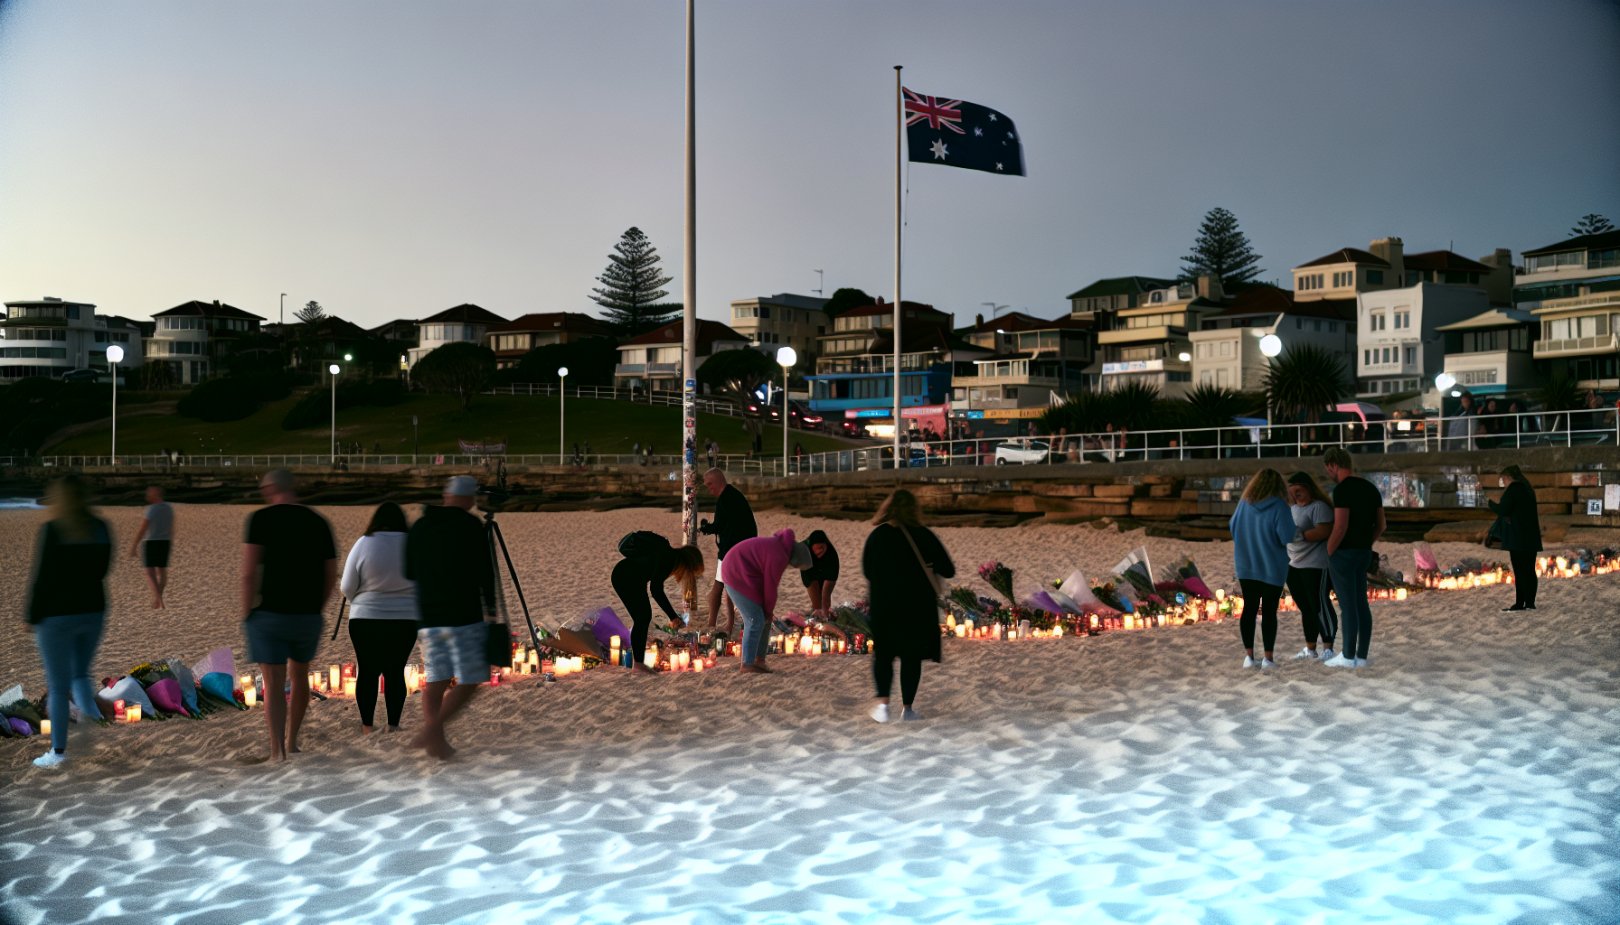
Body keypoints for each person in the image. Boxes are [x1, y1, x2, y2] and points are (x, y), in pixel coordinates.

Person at [242, 469, 338, 761]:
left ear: (271, 488)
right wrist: (317, 607)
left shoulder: (260, 519)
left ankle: (277, 751)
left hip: (269, 612)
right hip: (306, 614)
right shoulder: (318, 521)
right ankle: (293, 741)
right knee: (300, 677)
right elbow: (330, 573)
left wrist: (246, 611)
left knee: (272, 682)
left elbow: (248, 573)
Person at [406, 476, 498, 759]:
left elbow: (409, 571)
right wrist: (491, 609)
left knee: (436, 680)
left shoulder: (421, 526)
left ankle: (436, 741)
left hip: (428, 615)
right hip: (462, 614)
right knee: (471, 679)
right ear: (469, 499)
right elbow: (485, 572)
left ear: (446, 495)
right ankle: (432, 730)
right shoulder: (471, 526)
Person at [27, 475, 112, 769]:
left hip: (57, 615)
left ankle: (58, 752)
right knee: (80, 675)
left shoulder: (54, 529)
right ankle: (90, 719)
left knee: (58, 685)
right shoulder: (100, 527)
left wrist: (32, 616)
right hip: (93, 611)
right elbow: (103, 569)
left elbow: (43, 578)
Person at [863, 489, 955, 722]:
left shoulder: (877, 536)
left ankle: (883, 707)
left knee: (883, 655)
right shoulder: (923, 535)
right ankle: (908, 709)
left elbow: (867, 570)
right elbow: (948, 570)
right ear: (914, 509)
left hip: (884, 605)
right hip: (917, 605)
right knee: (911, 656)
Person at [340, 501, 418, 734]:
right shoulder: (413, 545)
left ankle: (367, 726)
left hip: (365, 617)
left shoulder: (364, 543)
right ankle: (393, 724)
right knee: (395, 672)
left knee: (367, 671)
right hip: (405, 618)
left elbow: (346, 586)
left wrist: (359, 601)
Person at [1322, 448, 1385, 669]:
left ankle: (1348, 656)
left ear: (1333, 465)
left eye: (1327, 468)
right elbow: (1381, 525)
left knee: (1347, 605)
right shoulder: (1370, 488)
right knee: (1361, 604)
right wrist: (1367, 541)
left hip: (1344, 553)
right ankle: (1362, 655)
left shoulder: (1342, 490)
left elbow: (1340, 526)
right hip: (1363, 552)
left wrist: (1328, 551)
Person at [1228, 469, 1297, 669]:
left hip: (1246, 565)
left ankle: (1249, 656)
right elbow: (1287, 537)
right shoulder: (1279, 507)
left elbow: (1233, 527)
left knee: (1249, 609)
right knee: (1269, 612)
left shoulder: (1243, 505)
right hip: (1272, 567)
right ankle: (1268, 658)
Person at [723, 530, 814, 673]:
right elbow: (771, 587)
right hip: (736, 572)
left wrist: (768, 613)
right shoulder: (779, 555)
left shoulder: (780, 547)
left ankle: (760, 660)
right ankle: (747, 664)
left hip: (746, 573)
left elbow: (767, 584)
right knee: (754, 620)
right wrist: (768, 610)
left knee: (765, 619)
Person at [611, 532, 704, 671]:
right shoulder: (669, 558)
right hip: (625, 576)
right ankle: (638, 665)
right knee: (642, 618)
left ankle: (638, 663)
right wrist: (673, 616)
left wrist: (672, 616)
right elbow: (656, 590)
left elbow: (654, 585)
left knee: (643, 618)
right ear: (688, 563)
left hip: (632, 577)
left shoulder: (668, 555)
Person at [1284, 471, 1337, 661]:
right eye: (1292, 491)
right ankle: (1310, 647)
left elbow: (1325, 530)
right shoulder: (1291, 509)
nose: (1295, 494)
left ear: (1308, 489)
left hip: (1315, 564)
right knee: (1306, 608)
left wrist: (1301, 535)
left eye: (1299, 490)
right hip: (1293, 564)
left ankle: (1328, 646)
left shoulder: (1319, 507)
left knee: (1319, 604)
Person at [699, 468, 757, 634]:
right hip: (744, 548)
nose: (709, 488)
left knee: (719, 587)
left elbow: (718, 525)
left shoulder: (724, 500)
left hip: (732, 550)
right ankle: (732, 622)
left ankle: (715, 623)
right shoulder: (735, 495)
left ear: (718, 481)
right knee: (731, 586)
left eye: (710, 484)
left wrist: (705, 528)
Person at [1488, 464, 1542, 612]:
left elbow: (1503, 509)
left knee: (1520, 571)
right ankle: (1530, 603)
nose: (1503, 483)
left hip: (1518, 538)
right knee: (1529, 570)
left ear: (1508, 477)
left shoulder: (1514, 489)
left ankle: (1520, 603)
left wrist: (1490, 504)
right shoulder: (1527, 488)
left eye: (1503, 479)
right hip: (1531, 537)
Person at [129, 485, 174, 609]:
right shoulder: (169, 508)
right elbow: (171, 528)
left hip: (151, 541)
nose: (147, 495)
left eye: (149, 493)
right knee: (162, 571)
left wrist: (134, 545)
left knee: (149, 572)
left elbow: (143, 529)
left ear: (156, 495)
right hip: (165, 541)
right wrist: (170, 541)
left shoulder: (151, 509)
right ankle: (160, 597)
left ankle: (158, 598)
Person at [800, 529, 840, 619]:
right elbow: (809, 580)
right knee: (816, 603)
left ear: (826, 545)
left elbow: (828, 585)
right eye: (817, 548)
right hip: (809, 569)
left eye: (822, 547)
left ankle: (826, 617)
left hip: (826, 569)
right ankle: (816, 614)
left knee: (825, 599)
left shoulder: (832, 555)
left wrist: (825, 609)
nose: (819, 551)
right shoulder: (804, 551)